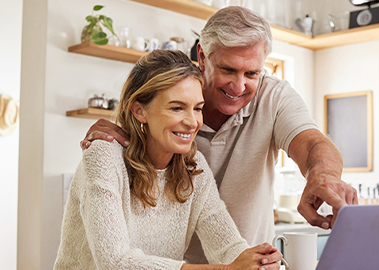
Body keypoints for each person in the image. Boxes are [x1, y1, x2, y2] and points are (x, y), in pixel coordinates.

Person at [81, 6, 357, 264]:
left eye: (252, 73)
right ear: (202, 56)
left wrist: (323, 177)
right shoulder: (121, 146)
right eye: (228, 69)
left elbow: (312, 144)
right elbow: (116, 261)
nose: (239, 86)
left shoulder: (194, 162)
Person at [54, 50, 282, 269]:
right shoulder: (104, 157)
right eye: (177, 108)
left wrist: (257, 261)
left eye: (197, 108)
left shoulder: (193, 167)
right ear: (139, 111)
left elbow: (228, 247)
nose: (193, 122)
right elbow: (116, 263)